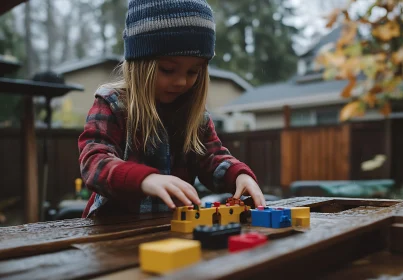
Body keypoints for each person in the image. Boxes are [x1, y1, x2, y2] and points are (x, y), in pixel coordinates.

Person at [78, 0, 266, 218]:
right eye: (168, 69)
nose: (181, 82)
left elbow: (212, 158)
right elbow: (94, 160)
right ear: (140, 64)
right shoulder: (113, 103)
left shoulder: (195, 116)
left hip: (171, 231)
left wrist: (239, 175)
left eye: (193, 72)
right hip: (112, 234)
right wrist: (145, 180)